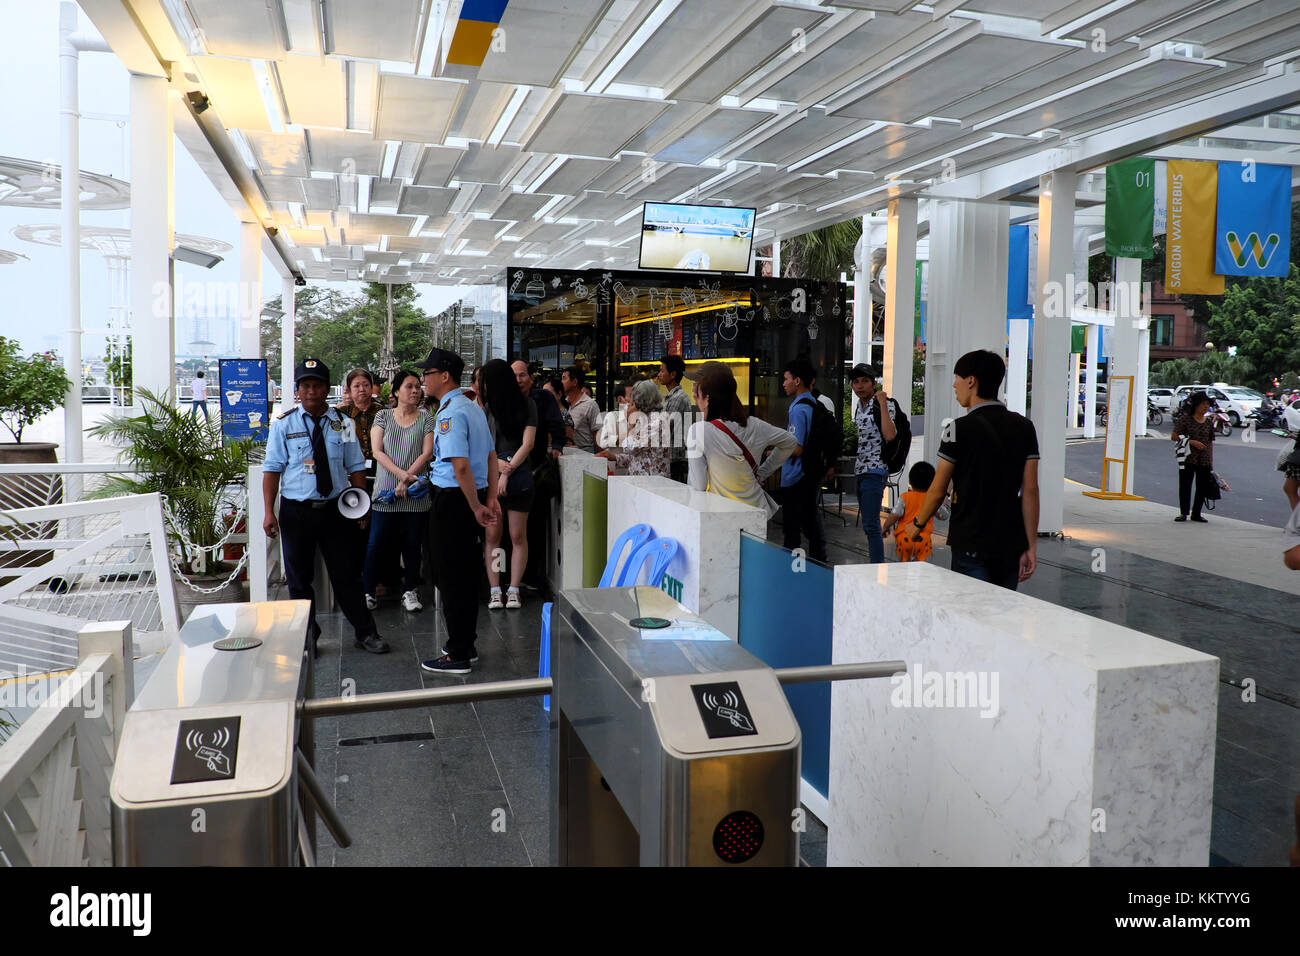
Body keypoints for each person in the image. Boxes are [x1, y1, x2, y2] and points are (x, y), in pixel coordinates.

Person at [262, 358, 389, 655]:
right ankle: (307, 637)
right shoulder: (283, 424)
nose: (311, 391)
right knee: (298, 579)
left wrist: (361, 504)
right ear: (297, 390)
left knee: (346, 575)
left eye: (316, 385)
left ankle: (365, 632)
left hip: (335, 511)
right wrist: (269, 511)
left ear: (326, 388)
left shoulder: (342, 423)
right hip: (296, 512)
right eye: (305, 386)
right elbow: (272, 471)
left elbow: (356, 466)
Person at [907, 349, 1040, 589]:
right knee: (999, 617)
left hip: (970, 541)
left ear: (971, 381)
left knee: (971, 615)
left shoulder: (957, 428)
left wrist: (916, 525)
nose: (954, 384)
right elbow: (1030, 490)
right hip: (1009, 545)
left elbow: (937, 490)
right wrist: (1030, 545)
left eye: (957, 377)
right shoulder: (1024, 427)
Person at [419, 347, 500, 675]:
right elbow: (492, 457)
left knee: (450, 575)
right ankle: (466, 642)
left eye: (427, 374)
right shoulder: (473, 407)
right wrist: (490, 498)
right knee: (465, 573)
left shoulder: (451, 412)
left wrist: (476, 507)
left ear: (444, 376)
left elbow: (461, 466)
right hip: (472, 496)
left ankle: (458, 653)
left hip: (455, 499)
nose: (423, 379)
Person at [364, 368, 435, 613]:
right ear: (396, 391)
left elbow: (427, 453)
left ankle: (410, 590)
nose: (416, 390)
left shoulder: (426, 417)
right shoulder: (383, 416)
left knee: (413, 544)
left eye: (418, 386)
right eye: (409, 386)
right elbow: (377, 451)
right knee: (377, 543)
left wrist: (406, 481)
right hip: (386, 492)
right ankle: (368, 590)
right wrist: (401, 476)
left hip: (415, 493)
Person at [687, 361, 796, 519]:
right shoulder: (756, 425)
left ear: (708, 397)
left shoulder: (699, 431)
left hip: (722, 515)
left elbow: (699, 485)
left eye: (698, 388)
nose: (694, 394)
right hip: (756, 513)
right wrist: (762, 473)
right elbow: (790, 442)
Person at [479, 359, 537, 610]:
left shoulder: (528, 404)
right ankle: (496, 589)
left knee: (515, 535)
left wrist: (505, 470)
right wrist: (501, 469)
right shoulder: (487, 408)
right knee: (495, 535)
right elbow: (485, 445)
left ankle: (512, 588)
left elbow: (529, 443)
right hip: (502, 474)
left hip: (515, 476)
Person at [512, 360, 566, 595]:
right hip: (509, 473)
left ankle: (533, 576)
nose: (518, 380)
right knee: (511, 531)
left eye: (522, 375)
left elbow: (557, 425)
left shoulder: (542, 399)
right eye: (514, 375)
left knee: (535, 528)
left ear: (531, 378)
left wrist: (558, 445)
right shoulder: (504, 401)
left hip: (536, 473)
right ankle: (511, 578)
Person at [779, 358, 830, 562]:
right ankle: (819, 558)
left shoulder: (798, 409)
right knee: (809, 520)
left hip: (795, 475)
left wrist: (777, 450)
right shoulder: (814, 404)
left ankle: (791, 567)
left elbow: (797, 447)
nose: (783, 383)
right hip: (809, 473)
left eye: (786, 379)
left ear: (797, 380)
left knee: (792, 528)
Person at [849, 363, 897, 563]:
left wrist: (883, 404)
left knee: (871, 526)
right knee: (869, 525)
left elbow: (890, 435)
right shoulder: (859, 407)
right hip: (860, 469)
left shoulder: (884, 403)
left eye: (865, 381)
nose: (860, 386)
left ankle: (877, 569)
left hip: (876, 470)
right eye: (856, 382)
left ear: (874, 383)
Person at [600, 379, 671, 478]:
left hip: (652, 483)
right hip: (641, 481)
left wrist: (631, 425)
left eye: (632, 403)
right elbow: (637, 456)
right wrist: (614, 457)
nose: (630, 406)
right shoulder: (644, 419)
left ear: (642, 401)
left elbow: (630, 447)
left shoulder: (657, 422)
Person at [881, 461, 949, 562]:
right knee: (922, 568)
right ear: (932, 483)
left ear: (910, 482)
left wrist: (886, 527)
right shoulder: (931, 500)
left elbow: (895, 514)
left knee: (903, 567)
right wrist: (942, 502)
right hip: (923, 541)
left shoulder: (905, 497)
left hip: (904, 539)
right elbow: (944, 515)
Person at [1170, 391, 1216, 523]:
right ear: (1196, 405)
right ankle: (1183, 513)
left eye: (1207, 404)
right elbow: (1174, 436)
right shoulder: (1185, 420)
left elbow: (1210, 442)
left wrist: (1211, 460)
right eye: (1203, 404)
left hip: (1204, 459)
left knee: (1202, 487)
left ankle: (1196, 513)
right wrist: (1191, 442)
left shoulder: (1208, 422)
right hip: (1188, 458)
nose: (1205, 407)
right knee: (1185, 485)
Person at [658, 355, 694, 483]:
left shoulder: (678, 398)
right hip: (672, 458)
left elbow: (665, 429)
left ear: (673, 374)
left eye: (662, 371)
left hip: (675, 459)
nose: (659, 374)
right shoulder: (671, 397)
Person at [336, 368, 380, 467]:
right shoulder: (341, 414)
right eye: (356, 386)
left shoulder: (383, 413)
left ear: (372, 387)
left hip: (380, 468)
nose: (362, 389)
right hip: (350, 468)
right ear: (349, 390)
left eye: (366, 385)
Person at [561, 365, 601, 453]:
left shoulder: (590, 405)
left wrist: (601, 458)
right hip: (565, 454)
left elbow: (597, 435)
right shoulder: (563, 403)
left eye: (564, 378)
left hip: (584, 455)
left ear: (574, 382)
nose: (561, 382)